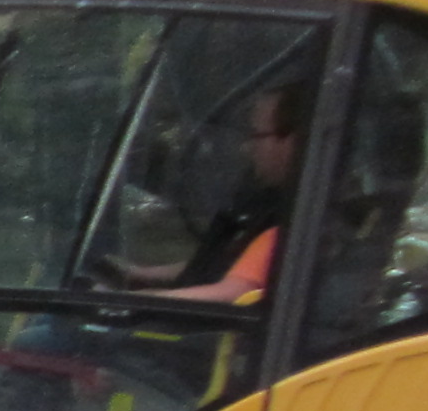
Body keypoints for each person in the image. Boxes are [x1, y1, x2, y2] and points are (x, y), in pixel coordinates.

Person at [101, 82, 302, 306]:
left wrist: (119, 303)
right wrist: (141, 274)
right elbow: (226, 264)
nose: (245, 148)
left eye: (256, 135)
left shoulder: (297, 220)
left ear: (293, 141)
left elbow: (233, 293)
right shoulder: (265, 201)